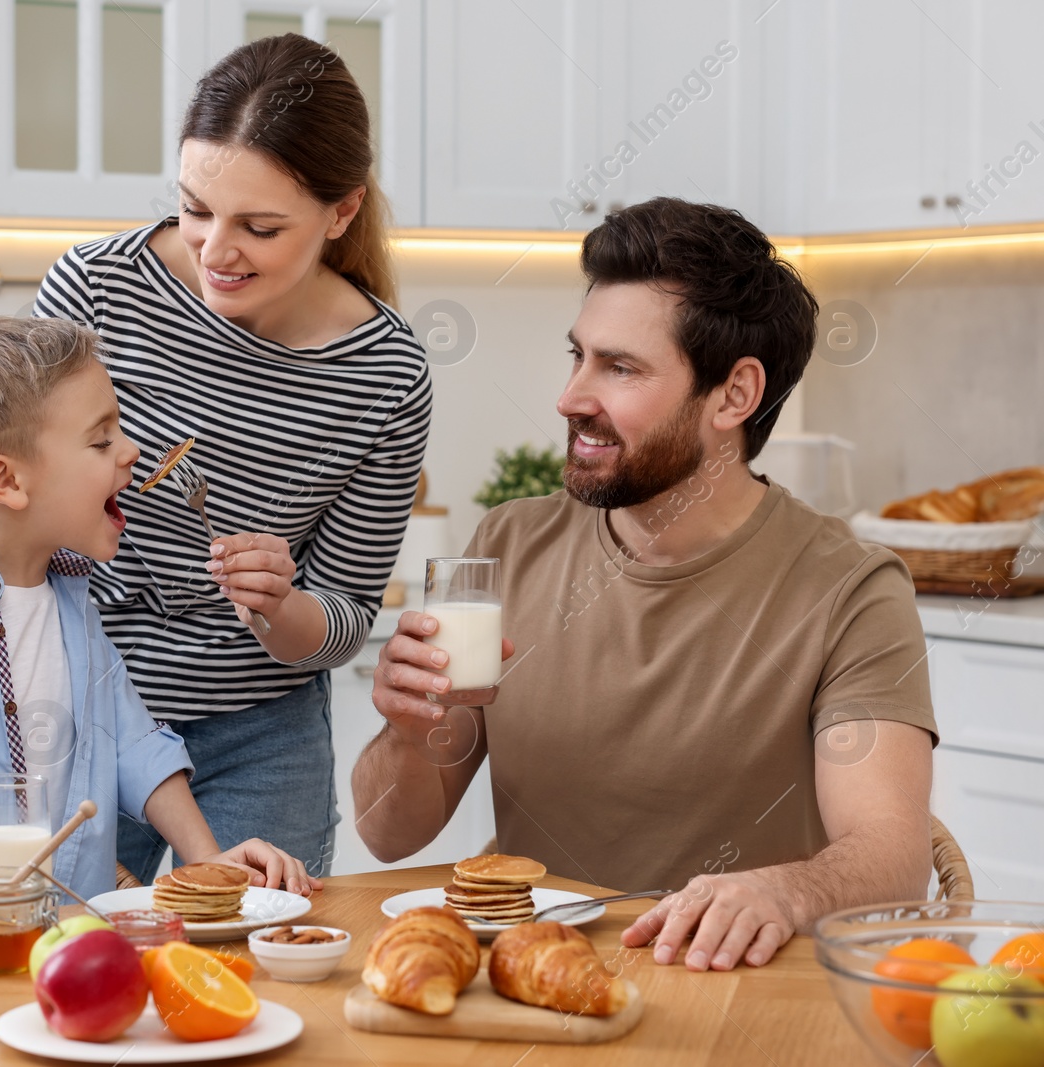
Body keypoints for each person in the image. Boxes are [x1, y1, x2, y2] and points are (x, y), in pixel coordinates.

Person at [352, 198, 938, 973]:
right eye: (578, 356)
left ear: (734, 395)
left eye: (620, 367)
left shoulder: (852, 590)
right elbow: (390, 835)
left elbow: (893, 858)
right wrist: (406, 728)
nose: (571, 397)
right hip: (546, 986)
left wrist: (786, 892)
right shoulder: (507, 546)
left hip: (741, 1001)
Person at [29, 33, 431, 884]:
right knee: (67, 969)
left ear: (342, 213)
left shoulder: (386, 375)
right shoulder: (96, 289)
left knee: (256, 975)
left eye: (260, 226)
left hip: (263, 735)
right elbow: (4, 522)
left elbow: (348, 613)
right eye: (196, 209)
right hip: (84, 709)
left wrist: (278, 609)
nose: (215, 250)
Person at [0, 316, 317, 920]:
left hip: (59, 943)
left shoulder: (72, 607)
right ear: (8, 480)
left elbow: (137, 744)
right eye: (101, 440)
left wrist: (206, 859)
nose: (132, 452)